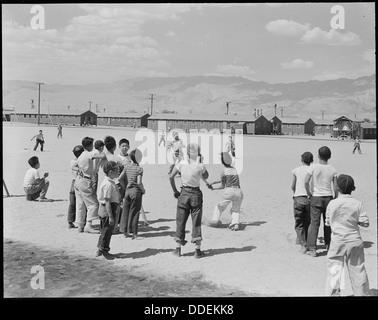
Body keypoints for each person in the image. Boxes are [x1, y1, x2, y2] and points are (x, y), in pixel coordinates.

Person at [325, 174, 370, 296]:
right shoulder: (358, 203)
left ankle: (334, 294)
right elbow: (365, 223)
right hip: (354, 240)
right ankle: (361, 294)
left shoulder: (332, 204)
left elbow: (327, 223)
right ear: (353, 188)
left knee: (335, 270)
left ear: (337, 188)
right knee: (358, 271)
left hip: (337, 241)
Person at [169, 143, 209, 258]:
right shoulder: (200, 166)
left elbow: (171, 176)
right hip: (196, 193)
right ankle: (197, 250)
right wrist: (201, 161)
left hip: (184, 192)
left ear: (187, 153)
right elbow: (206, 176)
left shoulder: (181, 164)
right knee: (196, 221)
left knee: (180, 221)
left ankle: (178, 249)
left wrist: (175, 190)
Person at [305, 146, 338, 257]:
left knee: (314, 223)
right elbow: (336, 186)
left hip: (316, 196)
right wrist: (335, 196)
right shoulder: (333, 169)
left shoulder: (313, 167)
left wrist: (309, 193)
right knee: (327, 223)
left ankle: (312, 248)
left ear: (318, 155)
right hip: (328, 196)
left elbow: (306, 182)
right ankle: (328, 246)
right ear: (329, 156)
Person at [74, 137, 107, 234]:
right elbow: (101, 156)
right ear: (89, 145)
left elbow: (73, 166)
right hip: (85, 180)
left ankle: (80, 225)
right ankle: (88, 225)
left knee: (80, 204)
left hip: (78, 179)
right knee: (93, 204)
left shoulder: (81, 155)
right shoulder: (89, 153)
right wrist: (102, 152)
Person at [207, 152, 243, 231]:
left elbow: (222, 185)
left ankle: (215, 220)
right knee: (235, 209)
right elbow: (223, 180)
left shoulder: (223, 171)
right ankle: (235, 223)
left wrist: (213, 188)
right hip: (238, 191)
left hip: (229, 191)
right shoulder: (234, 169)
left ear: (222, 161)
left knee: (219, 206)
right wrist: (213, 182)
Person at [96, 161, 121, 258]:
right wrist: (111, 216)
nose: (118, 172)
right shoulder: (108, 185)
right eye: (116, 170)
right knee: (106, 231)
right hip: (107, 210)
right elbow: (107, 201)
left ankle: (101, 249)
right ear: (110, 172)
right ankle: (103, 250)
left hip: (108, 208)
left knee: (106, 231)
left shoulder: (110, 182)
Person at [119, 149, 145, 239]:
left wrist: (124, 186)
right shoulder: (139, 169)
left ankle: (124, 231)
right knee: (134, 212)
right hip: (136, 191)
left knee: (125, 211)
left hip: (127, 191)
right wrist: (143, 190)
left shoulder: (127, 167)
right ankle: (134, 233)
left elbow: (119, 179)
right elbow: (139, 182)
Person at [291, 151, 314, 253]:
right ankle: (306, 242)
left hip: (298, 197)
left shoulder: (296, 170)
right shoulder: (312, 170)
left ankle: (303, 244)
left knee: (298, 222)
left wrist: (295, 193)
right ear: (312, 161)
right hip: (309, 198)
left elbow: (293, 185)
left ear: (301, 160)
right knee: (308, 221)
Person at [67, 145, 84, 229]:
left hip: (73, 183)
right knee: (80, 202)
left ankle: (70, 221)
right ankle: (81, 221)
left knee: (72, 202)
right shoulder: (78, 162)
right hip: (78, 182)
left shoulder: (73, 161)